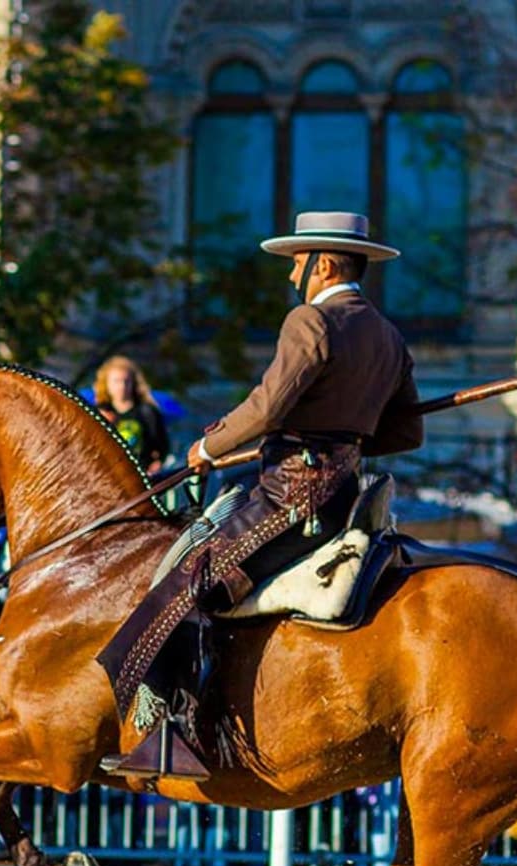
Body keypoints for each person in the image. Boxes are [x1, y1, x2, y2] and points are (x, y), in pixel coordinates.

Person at [99, 211, 423, 780]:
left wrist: (210, 446)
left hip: (289, 496)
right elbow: (406, 433)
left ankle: (175, 737)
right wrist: (347, 427)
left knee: (189, 579)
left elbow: (269, 404)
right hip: (345, 492)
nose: (293, 273)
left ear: (323, 263)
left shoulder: (310, 321)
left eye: (298, 262)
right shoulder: (389, 336)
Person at [93, 355, 169, 475]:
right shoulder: (98, 413)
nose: (122, 386)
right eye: (117, 381)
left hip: (140, 476)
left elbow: (162, 447)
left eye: (126, 381)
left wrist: (156, 466)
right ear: (106, 384)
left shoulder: (147, 412)